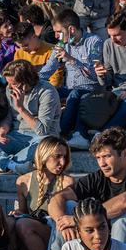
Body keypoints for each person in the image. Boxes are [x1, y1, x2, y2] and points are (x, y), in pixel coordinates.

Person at [46, 127, 126, 250]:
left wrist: (77, 220)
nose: (102, 163)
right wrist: (62, 223)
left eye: (107, 156)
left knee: (124, 213)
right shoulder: (98, 178)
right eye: (98, 158)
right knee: (68, 206)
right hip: (104, 243)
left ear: (124, 154)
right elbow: (56, 198)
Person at [0, 59, 59, 173]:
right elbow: (9, 117)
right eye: (8, 83)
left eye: (14, 83)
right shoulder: (9, 89)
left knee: (47, 144)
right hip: (16, 136)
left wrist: (21, 108)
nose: (10, 87)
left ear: (26, 81)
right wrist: (3, 129)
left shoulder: (47, 91)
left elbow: (43, 131)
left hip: (39, 139)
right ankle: (10, 164)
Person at [38, 9, 104, 149]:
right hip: (70, 89)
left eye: (58, 32)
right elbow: (49, 68)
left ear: (71, 29)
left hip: (91, 89)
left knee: (76, 95)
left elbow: (94, 74)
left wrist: (71, 59)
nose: (56, 36)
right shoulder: (62, 44)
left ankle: (62, 133)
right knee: (50, 90)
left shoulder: (94, 41)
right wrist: (31, 81)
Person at [11, 135, 72, 250]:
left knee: (23, 224)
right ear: (44, 156)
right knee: (10, 222)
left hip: (56, 234)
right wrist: (17, 214)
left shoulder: (67, 182)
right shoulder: (23, 181)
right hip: (34, 228)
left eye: (64, 157)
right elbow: (24, 211)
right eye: (57, 156)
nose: (62, 162)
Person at [13, 20, 62, 88]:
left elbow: (56, 80)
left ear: (34, 36)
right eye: (20, 46)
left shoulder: (52, 51)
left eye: (25, 45)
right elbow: (18, 78)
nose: (23, 49)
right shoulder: (18, 54)